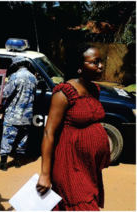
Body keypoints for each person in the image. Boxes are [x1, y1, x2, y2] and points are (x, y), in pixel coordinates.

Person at [36, 43, 110, 211]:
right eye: (95, 62)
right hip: (69, 165)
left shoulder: (94, 89)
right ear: (79, 67)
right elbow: (48, 133)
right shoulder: (64, 92)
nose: (101, 66)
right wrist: (45, 175)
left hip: (88, 167)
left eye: (101, 61)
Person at [0, 56, 38, 171]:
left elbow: (6, 93)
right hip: (27, 115)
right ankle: (18, 162)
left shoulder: (15, 76)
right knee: (22, 139)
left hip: (13, 114)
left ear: (16, 65)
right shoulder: (33, 78)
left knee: (8, 137)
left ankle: (3, 164)